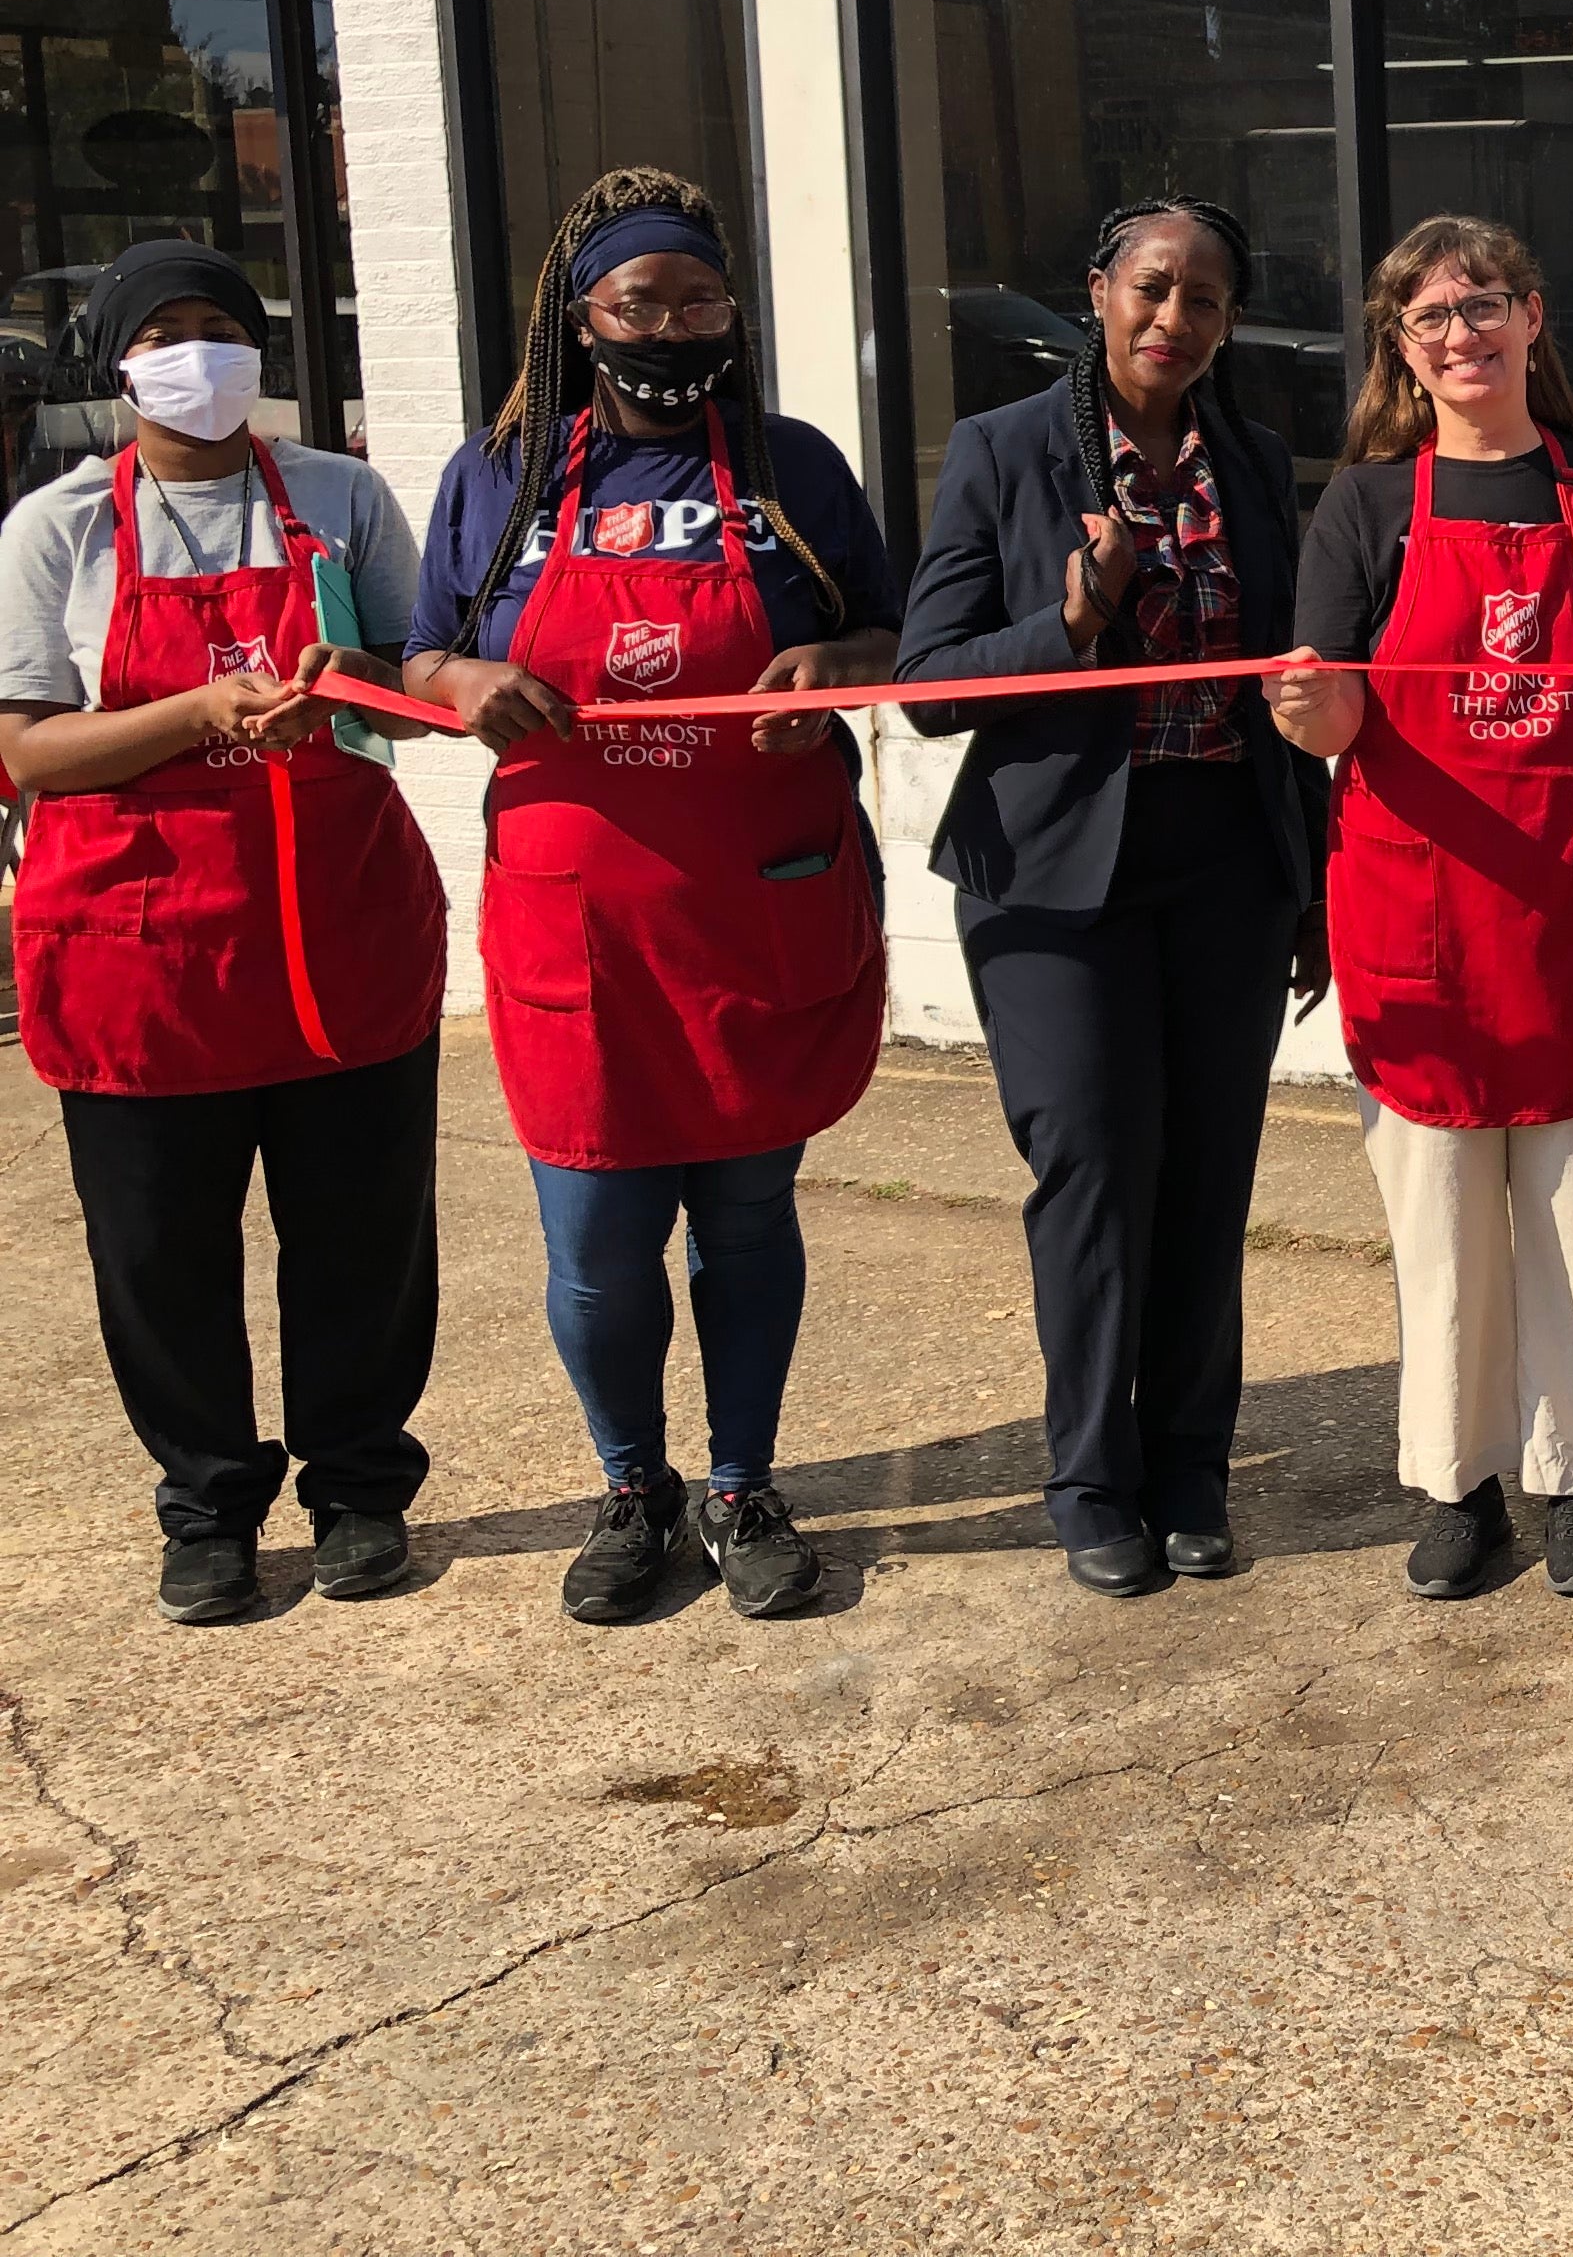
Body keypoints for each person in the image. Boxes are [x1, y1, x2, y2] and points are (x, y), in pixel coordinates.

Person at [407, 168, 899, 1628]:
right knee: (602, 1241)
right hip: (582, 923)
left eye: (701, 301)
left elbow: (888, 628)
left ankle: (744, 1485)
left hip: (762, 905)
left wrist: (841, 669)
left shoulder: (794, 466)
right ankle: (635, 1486)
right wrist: (469, 682)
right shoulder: (502, 477)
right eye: (643, 302)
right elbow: (420, 649)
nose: (675, 327)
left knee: (747, 1218)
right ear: (581, 316)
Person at [0, 239, 447, 1625]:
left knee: (360, 1234)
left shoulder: (339, 493)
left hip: (336, 926)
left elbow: (408, 690)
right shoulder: (54, 529)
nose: (199, 353)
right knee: (160, 1252)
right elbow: (30, 754)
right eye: (168, 331)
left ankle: (360, 1490)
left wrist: (352, 675)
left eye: (223, 327)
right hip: (140, 945)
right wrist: (195, 716)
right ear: (120, 363)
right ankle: (209, 1506)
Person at [1269, 215, 1573, 1602]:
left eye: (1484, 308)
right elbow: (1337, 720)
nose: (1463, 337)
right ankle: (1458, 1483)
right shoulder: (1366, 508)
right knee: (1444, 1220)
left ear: (1533, 318)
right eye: (1431, 320)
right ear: (1402, 351)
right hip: (1425, 917)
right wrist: (1304, 705)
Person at [898, 199, 1323, 1600]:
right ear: (1096, 292)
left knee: (1208, 1177)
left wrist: (1307, 880)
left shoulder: (1254, 462)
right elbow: (928, 683)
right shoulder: (1002, 452)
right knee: (1093, 1168)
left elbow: (1294, 685)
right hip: (1055, 876)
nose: (1176, 319)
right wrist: (1069, 626)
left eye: (1205, 299)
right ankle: (1089, 1478)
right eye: (1153, 289)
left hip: (1226, 864)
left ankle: (1192, 1468)